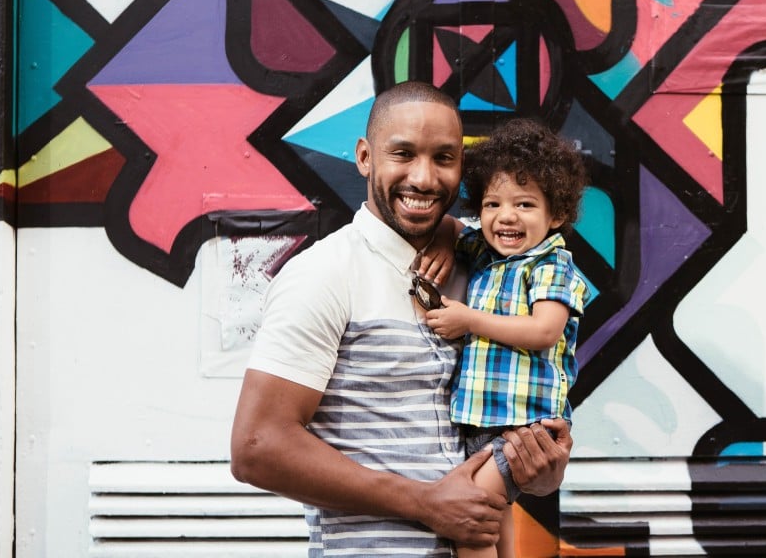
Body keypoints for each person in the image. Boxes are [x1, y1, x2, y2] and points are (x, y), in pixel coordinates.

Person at [230, 81, 572, 557]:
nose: (425, 178)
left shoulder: (487, 273)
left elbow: (515, 456)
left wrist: (542, 470)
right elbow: (257, 447)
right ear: (366, 158)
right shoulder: (324, 273)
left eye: (444, 158)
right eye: (403, 154)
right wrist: (425, 503)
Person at [419, 118, 590, 558]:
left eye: (525, 205)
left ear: (557, 215)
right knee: (495, 519)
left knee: (472, 520)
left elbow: (544, 330)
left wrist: (469, 320)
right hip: (481, 423)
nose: (506, 216)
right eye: (493, 204)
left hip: (524, 427)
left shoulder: (551, 266)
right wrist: (441, 237)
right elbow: (455, 229)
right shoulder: (489, 254)